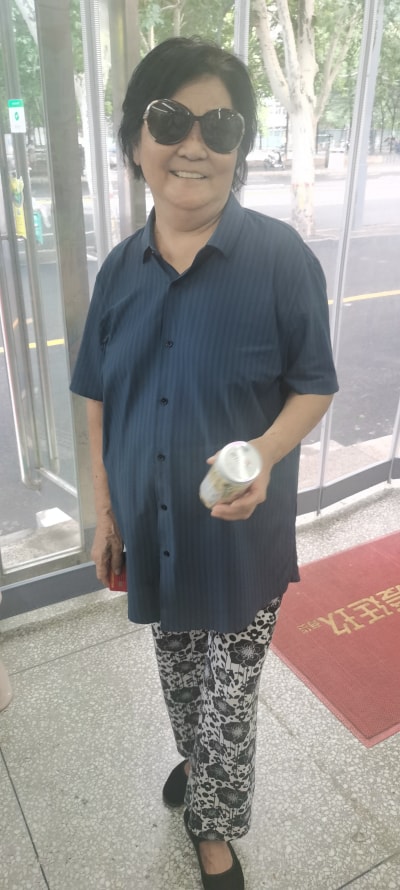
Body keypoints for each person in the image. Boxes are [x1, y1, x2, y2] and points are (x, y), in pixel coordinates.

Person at [70, 36, 338, 890]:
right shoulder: (119, 272)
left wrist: (263, 454)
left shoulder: (281, 259)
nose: (194, 143)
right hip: (154, 530)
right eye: (169, 119)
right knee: (180, 673)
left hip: (241, 537)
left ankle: (214, 828)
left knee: (229, 694)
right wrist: (104, 513)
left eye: (219, 125)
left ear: (240, 146)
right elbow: (96, 394)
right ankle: (196, 760)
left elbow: (315, 385)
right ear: (134, 140)